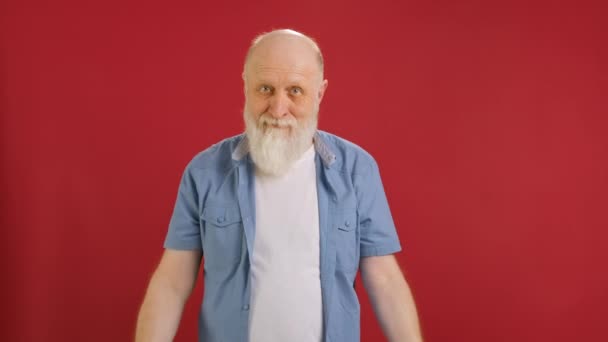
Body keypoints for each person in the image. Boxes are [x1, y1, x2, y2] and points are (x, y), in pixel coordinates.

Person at [135, 29, 423, 342]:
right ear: (246, 86)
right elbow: (172, 282)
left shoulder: (357, 170)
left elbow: (385, 280)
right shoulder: (205, 172)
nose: (277, 108)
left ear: (320, 93)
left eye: (295, 91)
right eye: (265, 89)